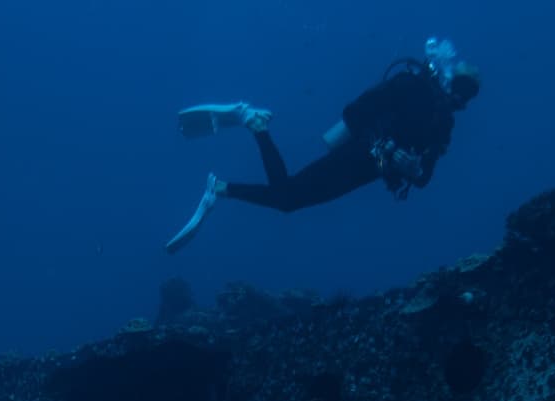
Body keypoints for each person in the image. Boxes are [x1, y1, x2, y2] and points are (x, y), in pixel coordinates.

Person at [165, 40, 482, 253]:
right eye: (460, 89)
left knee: (287, 199)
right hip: (359, 154)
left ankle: (222, 184)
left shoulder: (444, 125)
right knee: (287, 198)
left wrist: (413, 168)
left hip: (367, 171)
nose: (460, 99)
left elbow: (424, 178)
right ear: (446, 78)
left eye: (467, 97)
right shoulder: (409, 85)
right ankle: (251, 124)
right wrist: (384, 145)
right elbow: (354, 113)